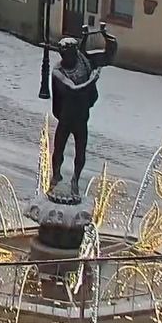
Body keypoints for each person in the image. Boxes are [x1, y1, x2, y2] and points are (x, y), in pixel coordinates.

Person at [49, 23, 117, 199]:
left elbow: (109, 55)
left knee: (81, 151)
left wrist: (106, 36)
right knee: (58, 151)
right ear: (63, 54)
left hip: (81, 118)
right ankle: (55, 176)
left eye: (73, 53)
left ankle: (75, 181)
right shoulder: (58, 71)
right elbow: (73, 89)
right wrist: (92, 80)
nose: (72, 56)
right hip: (65, 118)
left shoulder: (83, 60)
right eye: (68, 54)